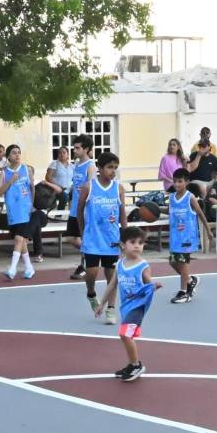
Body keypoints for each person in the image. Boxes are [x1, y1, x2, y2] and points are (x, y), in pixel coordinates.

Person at [97, 227, 157, 380]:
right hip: (126, 307)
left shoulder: (143, 266)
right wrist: (102, 303)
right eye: (133, 242)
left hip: (138, 306)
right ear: (123, 245)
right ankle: (132, 364)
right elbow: (112, 284)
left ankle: (136, 366)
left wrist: (154, 286)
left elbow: (149, 284)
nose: (137, 246)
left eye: (140, 243)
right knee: (125, 336)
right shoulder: (120, 264)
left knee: (124, 334)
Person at [74, 150, 125, 312]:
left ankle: (111, 308)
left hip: (112, 239)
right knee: (91, 273)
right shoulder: (89, 187)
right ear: (100, 168)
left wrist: (126, 237)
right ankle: (91, 293)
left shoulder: (119, 188)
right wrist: (83, 232)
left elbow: (123, 216)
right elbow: (79, 211)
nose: (113, 171)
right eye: (110, 167)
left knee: (112, 276)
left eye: (115, 167)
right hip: (93, 238)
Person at [0, 143, 40, 279]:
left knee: (19, 238)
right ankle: (29, 268)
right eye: (14, 152)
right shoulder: (4, 173)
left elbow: (32, 187)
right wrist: (10, 181)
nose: (17, 154)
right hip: (13, 210)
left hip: (25, 210)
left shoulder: (26, 169)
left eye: (19, 152)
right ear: (8, 156)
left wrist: (32, 204)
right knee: (19, 240)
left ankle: (12, 268)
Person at [164, 166, 203, 303]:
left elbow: (199, 213)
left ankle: (184, 292)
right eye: (175, 181)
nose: (177, 184)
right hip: (175, 236)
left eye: (180, 181)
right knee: (172, 261)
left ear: (187, 182)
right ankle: (190, 280)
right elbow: (170, 213)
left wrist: (208, 230)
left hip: (187, 236)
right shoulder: (172, 198)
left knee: (182, 261)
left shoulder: (190, 197)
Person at [63, 135, 95, 280]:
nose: (74, 150)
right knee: (70, 238)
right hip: (74, 208)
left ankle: (84, 266)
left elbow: (92, 189)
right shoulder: (76, 165)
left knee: (83, 238)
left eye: (77, 148)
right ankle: (90, 255)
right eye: (74, 147)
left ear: (86, 149)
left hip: (85, 210)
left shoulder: (90, 166)